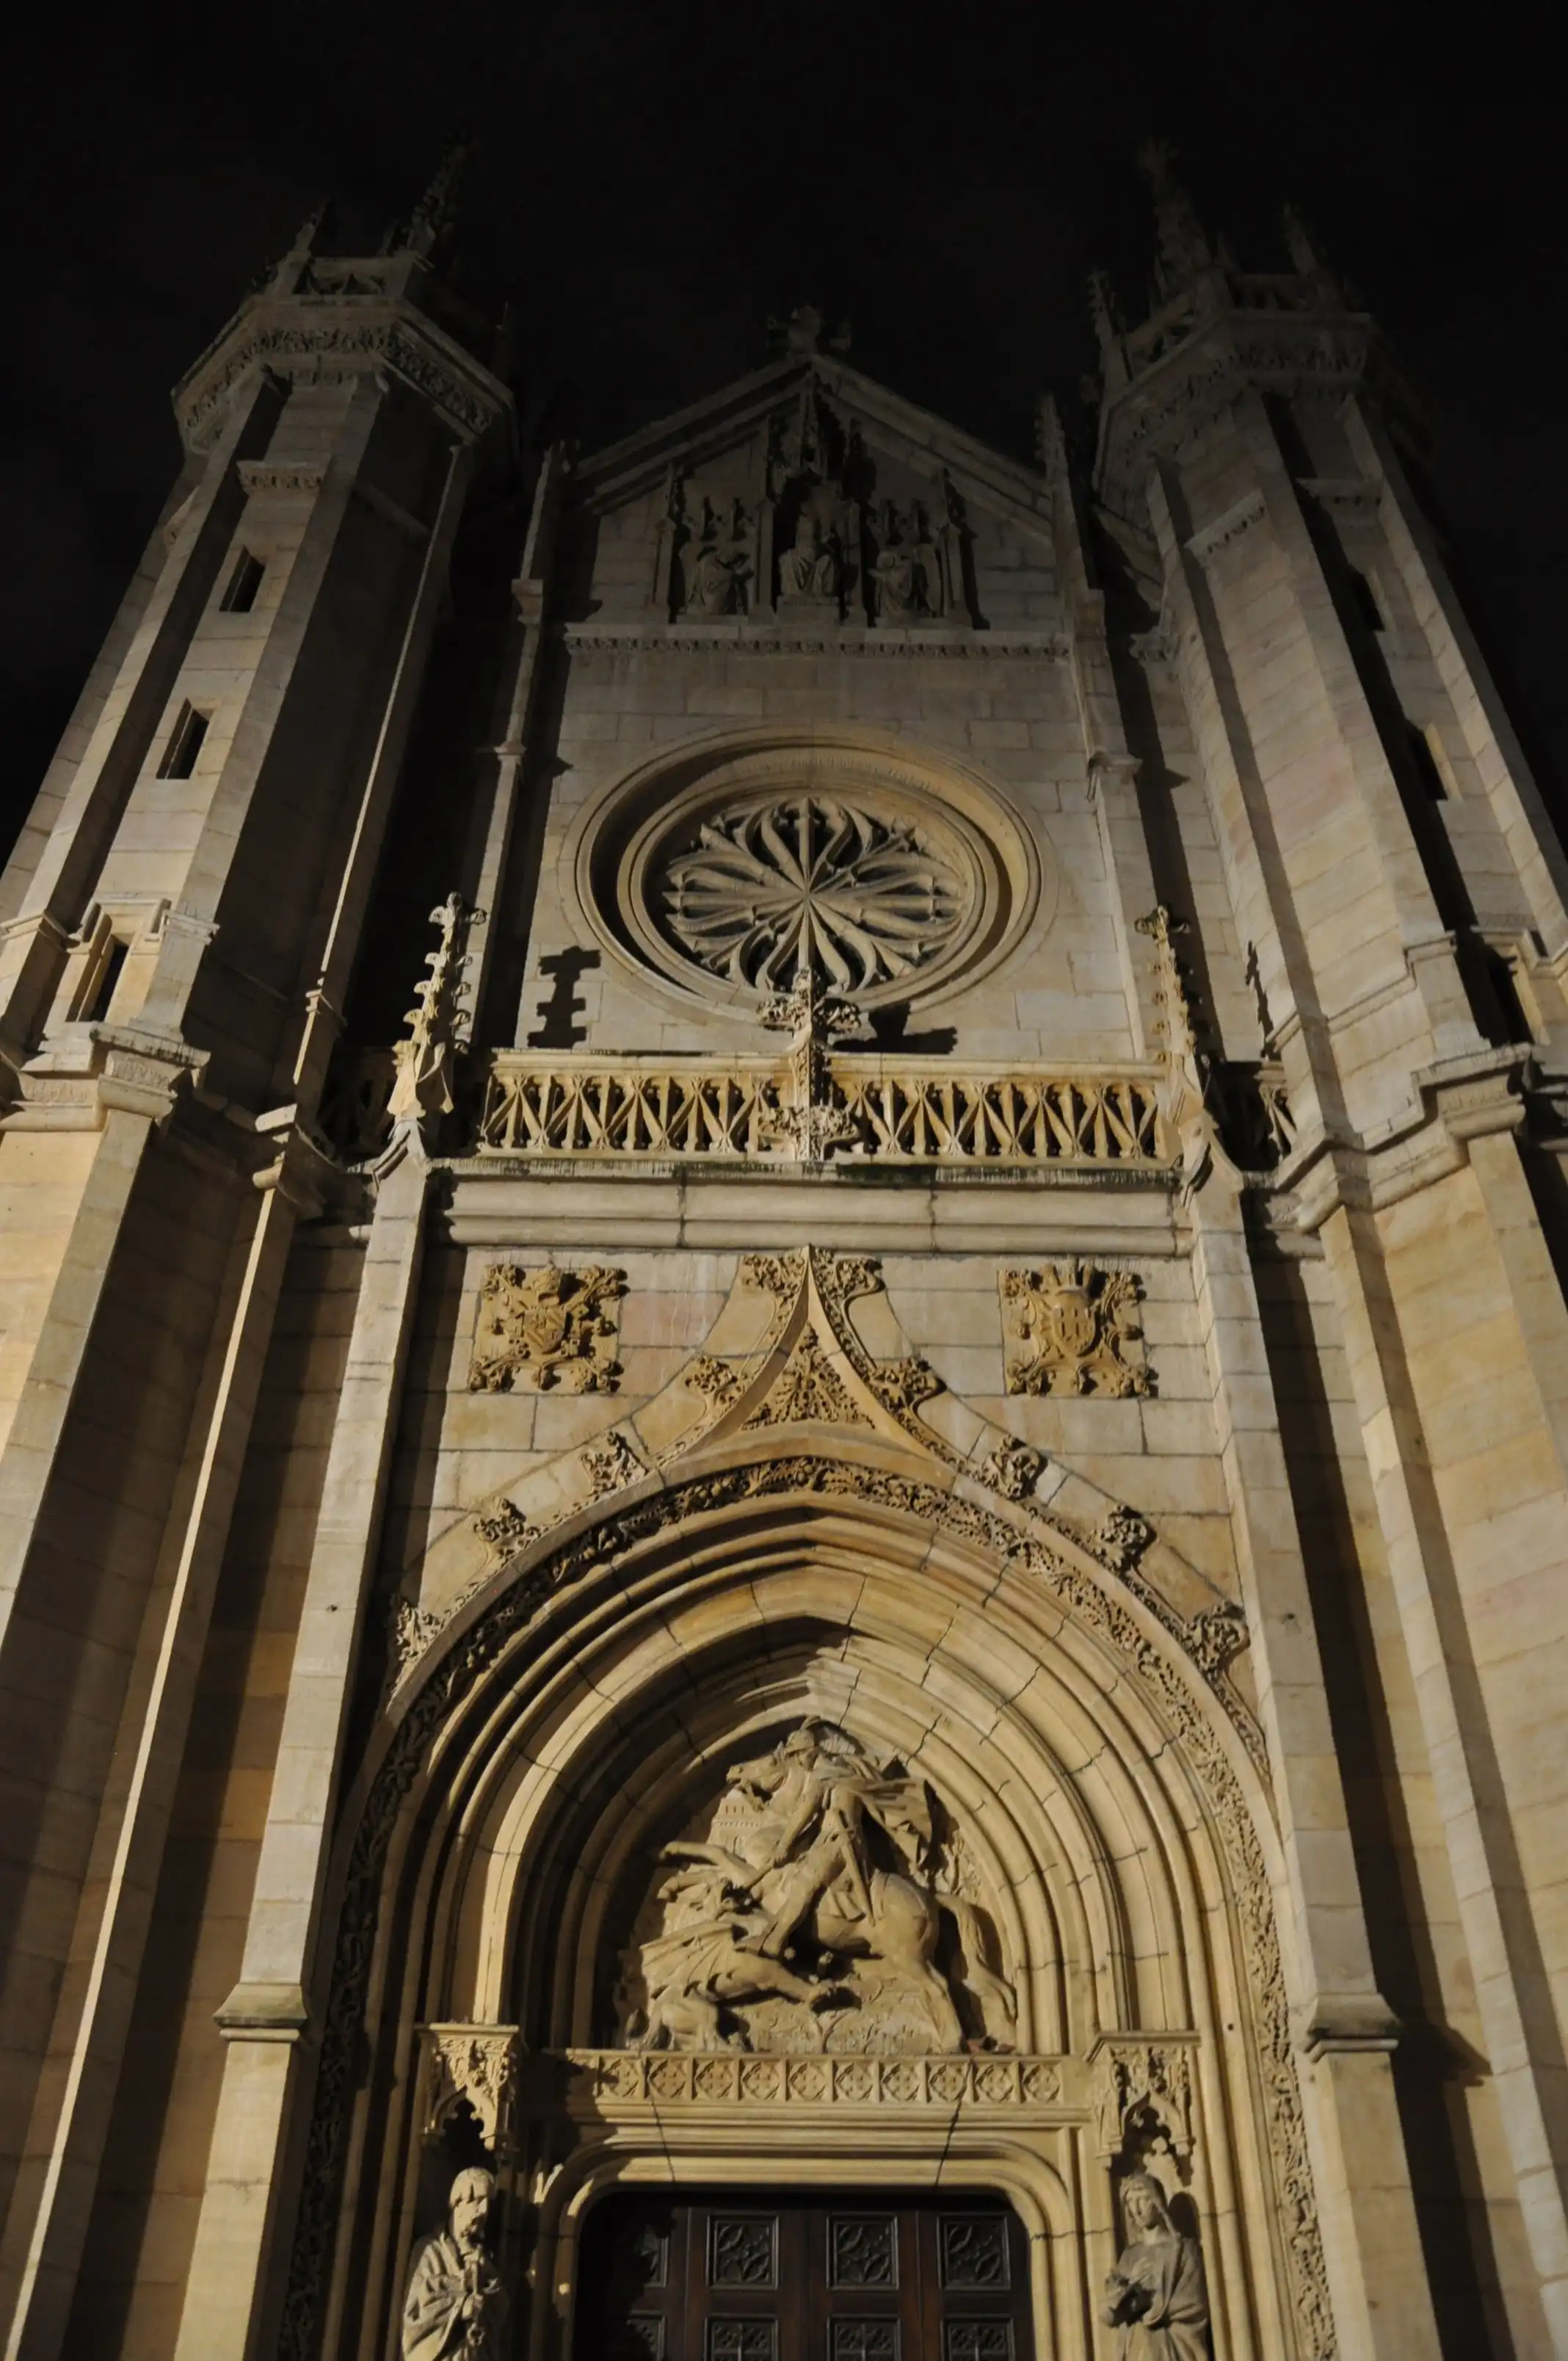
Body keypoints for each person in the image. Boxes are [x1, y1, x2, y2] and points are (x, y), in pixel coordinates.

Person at [401, 2166, 508, 2360]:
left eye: (487, 2203)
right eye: (477, 2200)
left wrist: (486, 2278)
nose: (484, 2211)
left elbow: (500, 2307)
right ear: (458, 2202)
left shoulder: (485, 2258)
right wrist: (460, 2306)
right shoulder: (429, 2250)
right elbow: (415, 2312)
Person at [1101, 2173, 1208, 2360]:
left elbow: (1193, 2305)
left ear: (1158, 2201)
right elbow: (1112, 2307)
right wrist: (1125, 2292)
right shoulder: (1130, 2256)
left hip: (1169, 2346)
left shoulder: (1182, 2250)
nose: (1136, 2209)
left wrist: (1151, 2304)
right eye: (1130, 2202)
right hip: (1134, 2345)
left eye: (1143, 2199)